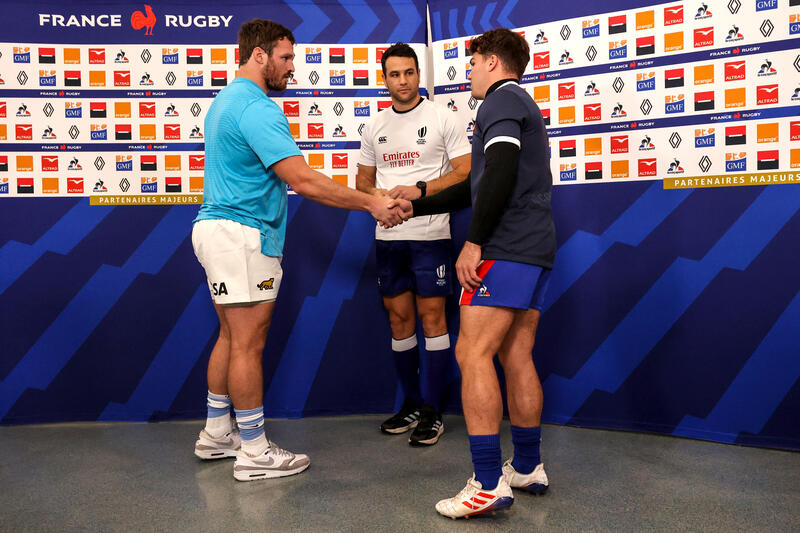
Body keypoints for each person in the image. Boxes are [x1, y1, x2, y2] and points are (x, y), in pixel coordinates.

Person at [191, 18, 403, 482]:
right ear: (260, 56)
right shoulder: (257, 108)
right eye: (286, 57)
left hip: (216, 230)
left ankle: (215, 434)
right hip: (242, 235)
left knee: (230, 336)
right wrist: (372, 202)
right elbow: (303, 180)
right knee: (248, 342)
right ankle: (253, 452)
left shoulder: (224, 100)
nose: (292, 67)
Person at [394, 28, 555, 518]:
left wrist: (474, 242)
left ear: (489, 61)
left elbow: (500, 172)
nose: (467, 73)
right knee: (515, 353)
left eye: (471, 64)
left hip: (505, 247)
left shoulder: (500, 101)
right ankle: (526, 466)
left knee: (473, 350)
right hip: (533, 246)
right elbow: (475, 188)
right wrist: (417, 199)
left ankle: (487, 482)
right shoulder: (519, 103)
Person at [356, 43, 471, 446]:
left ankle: (432, 412)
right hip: (388, 236)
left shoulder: (443, 117)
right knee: (399, 322)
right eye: (394, 74)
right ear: (383, 78)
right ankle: (410, 403)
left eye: (409, 73)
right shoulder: (374, 126)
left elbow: (465, 172)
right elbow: (362, 184)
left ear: (419, 75)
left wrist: (420, 190)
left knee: (433, 321)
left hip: (431, 236)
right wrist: (380, 200)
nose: (402, 81)